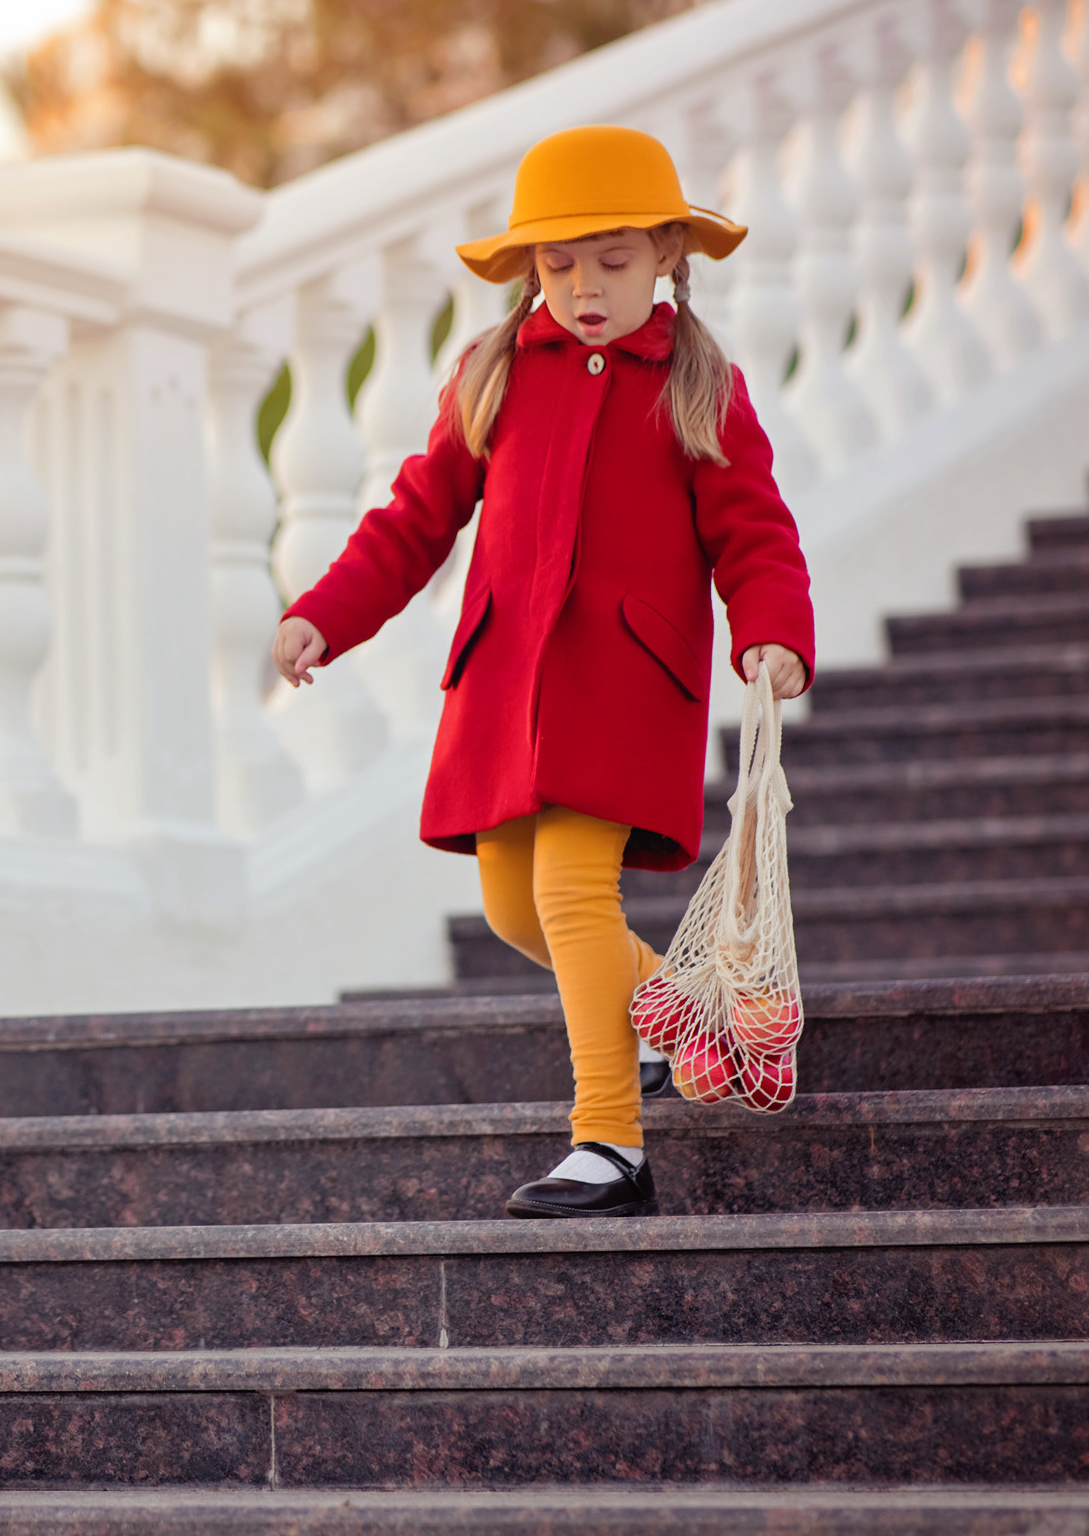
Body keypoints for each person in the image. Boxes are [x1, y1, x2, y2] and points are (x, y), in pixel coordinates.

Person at [272, 125, 814, 1219]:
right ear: (530, 268)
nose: (585, 289)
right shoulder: (495, 372)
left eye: (612, 261)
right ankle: (680, 1014)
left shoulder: (698, 383)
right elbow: (414, 520)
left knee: (570, 892)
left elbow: (754, 528)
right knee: (514, 909)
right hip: (504, 687)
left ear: (666, 252)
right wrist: (325, 613)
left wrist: (772, 629)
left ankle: (608, 1140)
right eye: (558, 266)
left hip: (622, 684)